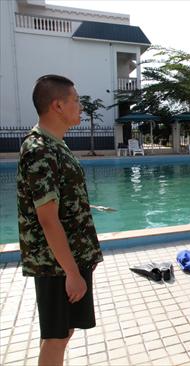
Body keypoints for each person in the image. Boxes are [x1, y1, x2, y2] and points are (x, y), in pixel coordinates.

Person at [17, 75, 103, 366]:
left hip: (67, 259)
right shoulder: (39, 149)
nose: (80, 106)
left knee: (62, 332)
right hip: (56, 265)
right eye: (76, 101)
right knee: (56, 336)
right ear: (57, 105)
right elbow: (48, 220)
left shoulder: (56, 144)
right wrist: (72, 273)